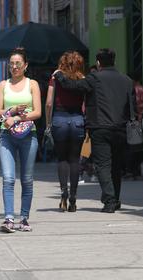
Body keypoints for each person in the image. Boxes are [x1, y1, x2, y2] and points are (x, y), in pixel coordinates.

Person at [53, 48, 135, 213]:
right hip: (121, 128)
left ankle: (110, 201)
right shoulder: (126, 80)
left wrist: (59, 75)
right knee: (116, 166)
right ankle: (115, 198)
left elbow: (72, 85)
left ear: (98, 63)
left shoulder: (94, 78)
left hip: (100, 128)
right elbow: (132, 106)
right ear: (114, 61)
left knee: (103, 165)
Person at [0, 48, 42, 232]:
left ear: (25, 66)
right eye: (11, 64)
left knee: (27, 179)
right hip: (6, 135)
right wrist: (11, 111)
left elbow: (38, 112)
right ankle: (8, 218)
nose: (14, 67)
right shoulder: (2, 85)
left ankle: (24, 218)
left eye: (18, 64)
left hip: (28, 134)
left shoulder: (32, 84)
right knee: (8, 178)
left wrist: (18, 117)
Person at [45, 52, 86, 212]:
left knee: (62, 159)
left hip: (59, 119)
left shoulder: (55, 78)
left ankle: (63, 193)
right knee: (75, 160)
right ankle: (73, 199)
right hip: (77, 119)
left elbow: (49, 103)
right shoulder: (82, 79)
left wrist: (48, 122)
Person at [124, 71, 143, 179]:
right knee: (139, 145)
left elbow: (130, 105)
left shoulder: (132, 91)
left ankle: (130, 171)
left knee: (130, 145)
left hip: (132, 121)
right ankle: (137, 170)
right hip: (141, 119)